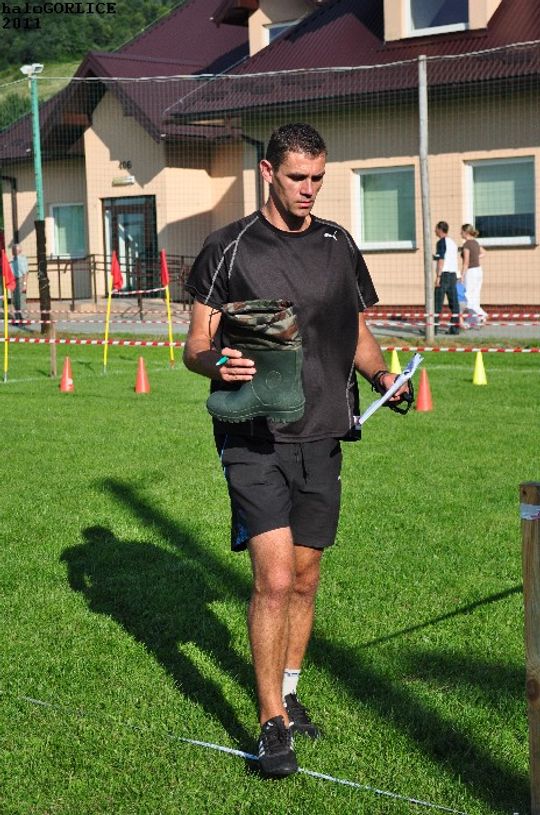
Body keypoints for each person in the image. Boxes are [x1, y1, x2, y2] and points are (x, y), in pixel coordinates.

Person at [183, 123, 410, 778]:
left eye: (317, 178)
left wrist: (381, 375)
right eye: (296, 178)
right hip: (253, 435)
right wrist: (217, 363)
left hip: (323, 432)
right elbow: (194, 345)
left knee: (306, 576)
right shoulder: (228, 248)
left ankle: (288, 691)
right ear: (267, 173)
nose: (308, 189)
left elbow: (356, 331)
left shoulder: (338, 245)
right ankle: (271, 724)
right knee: (276, 579)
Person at [433, 221, 460, 335]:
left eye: (436, 229)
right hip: (453, 274)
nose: (434, 231)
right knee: (454, 303)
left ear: (440, 230)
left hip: (444, 274)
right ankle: (455, 328)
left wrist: (438, 276)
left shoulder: (441, 242)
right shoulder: (453, 243)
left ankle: (432, 329)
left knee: (437, 302)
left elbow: (442, 259)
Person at [460, 223, 487, 328]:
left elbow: (466, 262)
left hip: (471, 272)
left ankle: (482, 314)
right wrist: (475, 257)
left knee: (468, 297)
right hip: (478, 270)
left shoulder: (467, 244)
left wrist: (462, 275)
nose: (460, 233)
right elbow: (484, 253)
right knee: (475, 296)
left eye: (461, 231)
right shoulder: (475, 242)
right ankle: (472, 321)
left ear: (465, 232)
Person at [10, 243, 28, 326]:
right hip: (13, 281)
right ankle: (17, 319)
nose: (13, 251)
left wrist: (24, 284)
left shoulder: (22, 259)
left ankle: (24, 319)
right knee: (14, 300)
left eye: (14, 249)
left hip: (20, 280)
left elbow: (26, 273)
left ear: (19, 250)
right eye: (12, 249)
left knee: (21, 300)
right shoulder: (12, 260)